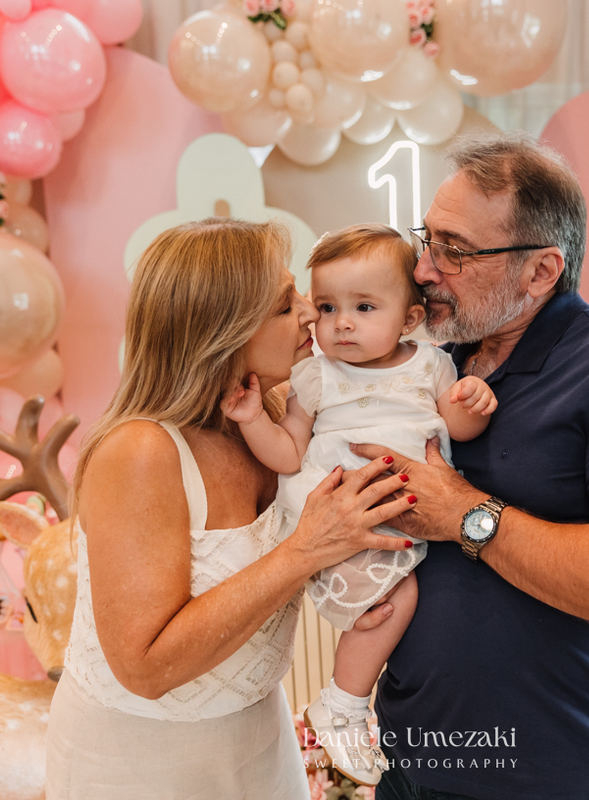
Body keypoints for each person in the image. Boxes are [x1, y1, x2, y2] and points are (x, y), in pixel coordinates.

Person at [352, 133, 589, 799]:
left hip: (547, 775)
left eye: (455, 250)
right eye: (427, 239)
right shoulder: (435, 362)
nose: (424, 269)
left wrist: (463, 513)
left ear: (542, 272)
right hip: (409, 765)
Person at [44, 218, 419, 799]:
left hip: (260, 736)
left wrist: (356, 596)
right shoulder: (141, 452)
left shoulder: (273, 416)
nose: (309, 312)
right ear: (220, 332)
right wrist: (306, 552)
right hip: (141, 761)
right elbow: (145, 668)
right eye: (283, 306)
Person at [222, 224, 497, 786]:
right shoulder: (315, 376)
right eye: (327, 307)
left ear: (410, 319)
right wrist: (252, 420)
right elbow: (288, 453)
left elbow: (459, 428)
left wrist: (475, 402)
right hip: (342, 514)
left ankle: (345, 704)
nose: (341, 322)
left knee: (402, 601)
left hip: (407, 513)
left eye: (364, 307)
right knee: (396, 600)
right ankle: (344, 703)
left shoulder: (432, 365)